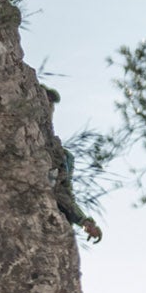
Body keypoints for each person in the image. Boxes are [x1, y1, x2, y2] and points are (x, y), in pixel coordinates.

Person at [44, 88, 101, 243]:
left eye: (51, 104)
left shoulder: (64, 156)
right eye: (46, 100)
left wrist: (83, 221)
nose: (49, 108)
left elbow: (62, 191)